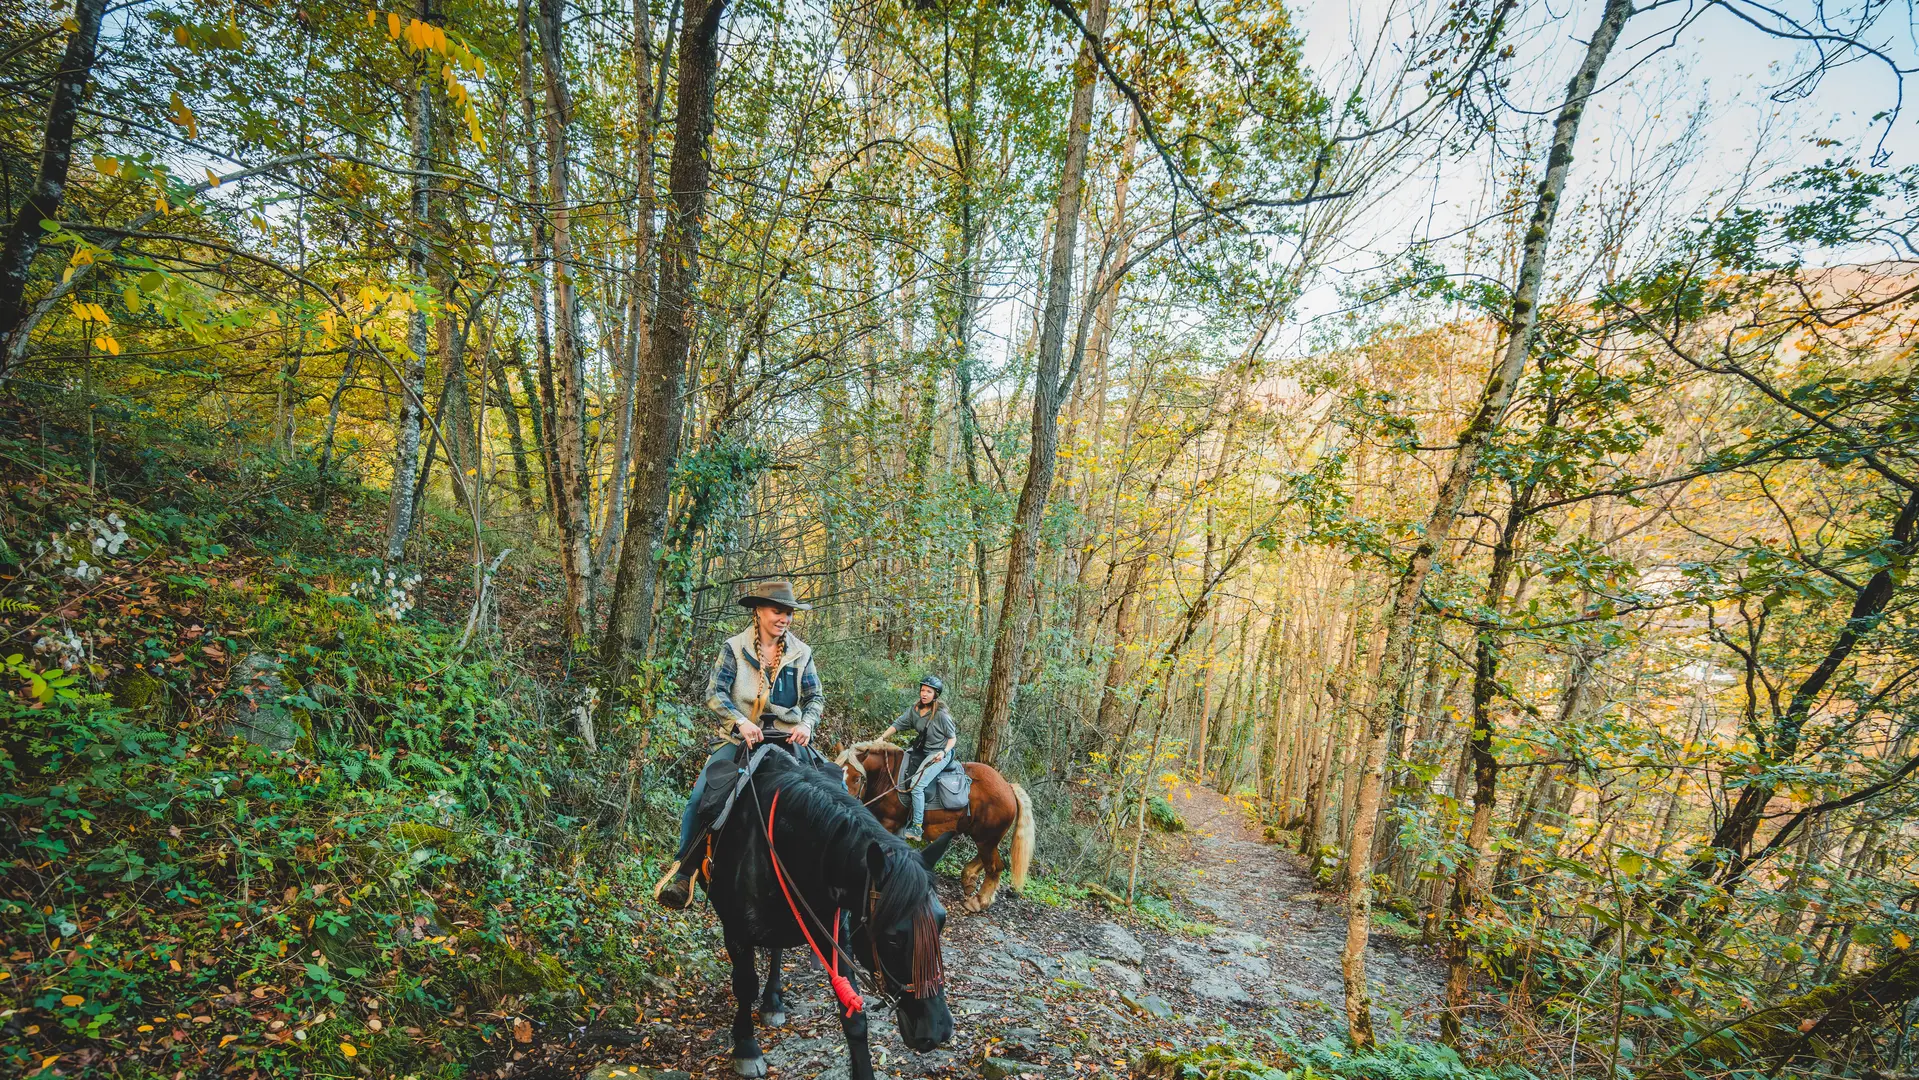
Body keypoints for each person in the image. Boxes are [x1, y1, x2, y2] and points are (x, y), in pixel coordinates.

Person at [654, 580, 825, 910]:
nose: (784, 618)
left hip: (789, 738)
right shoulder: (733, 648)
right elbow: (715, 693)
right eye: (778, 611)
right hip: (739, 738)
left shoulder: (802, 653)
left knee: (835, 791)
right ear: (759, 611)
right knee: (700, 798)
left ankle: (831, 880)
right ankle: (683, 872)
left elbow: (815, 696)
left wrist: (807, 723)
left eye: (789, 613)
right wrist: (740, 722)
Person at [875, 674, 957, 842]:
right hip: (921, 750)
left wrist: (944, 752)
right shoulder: (915, 710)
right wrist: (882, 738)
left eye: (928, 691)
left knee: (917, 786)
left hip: (938, 754)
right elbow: (898, 724)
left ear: (935, 695)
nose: (924, 694)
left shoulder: (941, 715)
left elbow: (952, 738)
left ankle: (917, 827)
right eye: (922, 690)